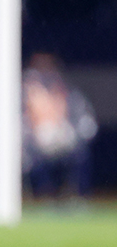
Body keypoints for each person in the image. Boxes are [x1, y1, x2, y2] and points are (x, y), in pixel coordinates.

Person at [22, 52, 98, 201]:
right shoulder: (25, 91)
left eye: (47, 67)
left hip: (64, 138)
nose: (44, 73)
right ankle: (43, 194)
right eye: (39, 68)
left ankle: (76, 194)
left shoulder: (69, 92)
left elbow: (86, 121)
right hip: (36, 140)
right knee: (32, 157)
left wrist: (75, 135)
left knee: (80, 154)